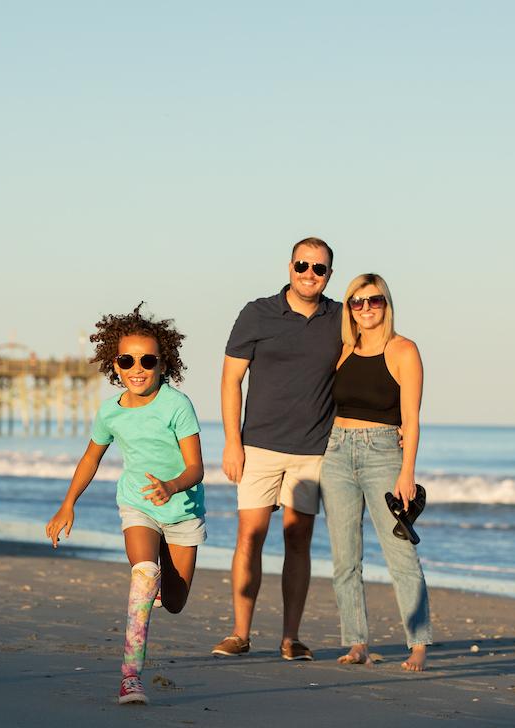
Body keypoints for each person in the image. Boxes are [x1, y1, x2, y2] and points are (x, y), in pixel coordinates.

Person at [45, 304, 205, 706]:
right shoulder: (110, 411)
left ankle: (155, 587)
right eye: (127, 360)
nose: (137, 368)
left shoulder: (177, 405)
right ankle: (130, 677)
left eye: (147, 360)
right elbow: (90, 458)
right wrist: (68, 504)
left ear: (162, 363)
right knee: (144, 571)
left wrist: (171, 486)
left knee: (174, 602)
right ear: (113, 363)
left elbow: (197, 467)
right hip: (138, 505)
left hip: (182, 509)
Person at [213, 237, 343, 661]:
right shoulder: (257, 313)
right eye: (303, 265)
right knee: (250, 535)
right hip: (259, 445)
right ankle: (239, 633)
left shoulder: (342, 319)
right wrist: (233, 441)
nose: (310, 273)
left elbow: (371, 365)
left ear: (329, 274)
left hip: (313, 449)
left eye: (319, 268)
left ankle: (291, 637)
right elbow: (231, 379)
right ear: (289, 266)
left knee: (298, 540)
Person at [319, 273, 431, 671]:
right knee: (344, 557)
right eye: (357, 302)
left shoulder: (404, 350)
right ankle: (356, 642)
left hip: (384, 454)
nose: (366, 308)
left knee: (401, 551)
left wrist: (407, 472)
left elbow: (412, 420)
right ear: (349, 307)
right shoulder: (343, 351)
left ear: (386, 303)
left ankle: (417, 642)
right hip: (336, 452)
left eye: (374, 300)